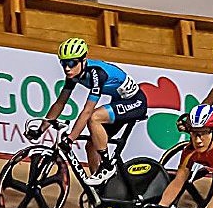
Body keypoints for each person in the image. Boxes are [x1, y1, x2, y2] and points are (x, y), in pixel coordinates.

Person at [26, 37, 149, 179]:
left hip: (136, 103)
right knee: (91, 145)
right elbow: (60, 103)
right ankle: (100, 190)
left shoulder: (96, 73)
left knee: (94, 117)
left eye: (72, 63)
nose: (67, 68)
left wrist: (71, 139)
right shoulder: (73, 75)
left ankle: (107, 165)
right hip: (119, 102)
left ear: (83, 61)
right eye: (64, 63)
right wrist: (41, 130)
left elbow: (88, 111)